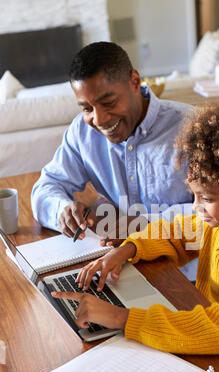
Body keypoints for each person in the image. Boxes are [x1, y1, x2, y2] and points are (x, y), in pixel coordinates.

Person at [52, 99, 219, 372]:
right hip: (218, 355)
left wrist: (123, 318)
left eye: (206, 198)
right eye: (193, 195)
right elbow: (176, 231)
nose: (196, 207)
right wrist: (128, 249)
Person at [31, 41, 193, 243]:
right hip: (118, 256)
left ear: (135, 81)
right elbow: (46, 187)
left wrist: (146, 224)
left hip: (185, 263)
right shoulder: (82, 133)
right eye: (87, 109)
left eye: (108, 103)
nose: (98, 120)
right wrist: (62, 210)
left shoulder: (193, 128)